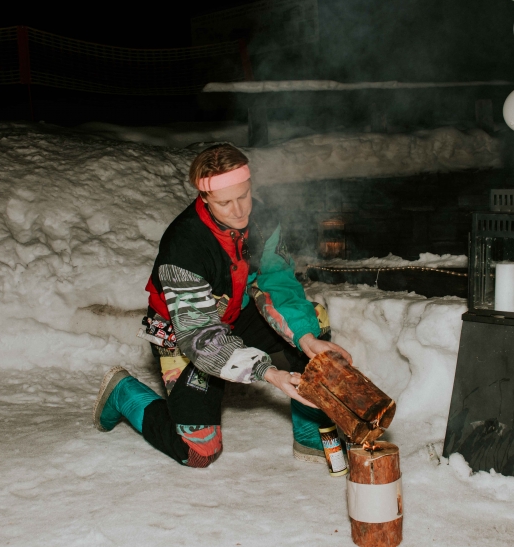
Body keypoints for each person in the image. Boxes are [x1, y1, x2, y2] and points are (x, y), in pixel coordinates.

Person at [92, 142, 352, 467]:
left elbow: (277, 284)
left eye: (243, 196)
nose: (239, 210)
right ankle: (124, 393)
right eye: (224, 202)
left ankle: (310, 429)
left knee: (314, 321)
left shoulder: (263, 220)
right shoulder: (184, 246)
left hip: (233, 317)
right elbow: (200, 337)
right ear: (204, 197)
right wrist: (268, 373)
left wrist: (304, 337)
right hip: (184, 335)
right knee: (199, 452)